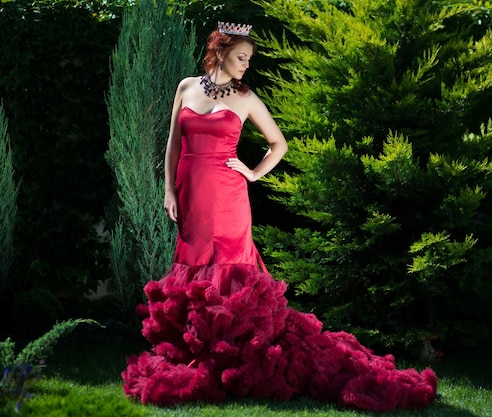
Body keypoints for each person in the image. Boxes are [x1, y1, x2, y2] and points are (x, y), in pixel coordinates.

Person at [122, 22, 437, 412]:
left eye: (249, 60)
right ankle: (201, 352)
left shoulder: (246, 97)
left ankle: (233, 358)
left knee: (228, 270)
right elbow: (172, 145)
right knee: (193, 265)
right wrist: (168, 190)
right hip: (190, 195)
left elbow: (279, 144)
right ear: (220, 52)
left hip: (229, 198)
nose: (245, 66)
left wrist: (252, 172)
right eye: (241, 57)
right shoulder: (187, 87)